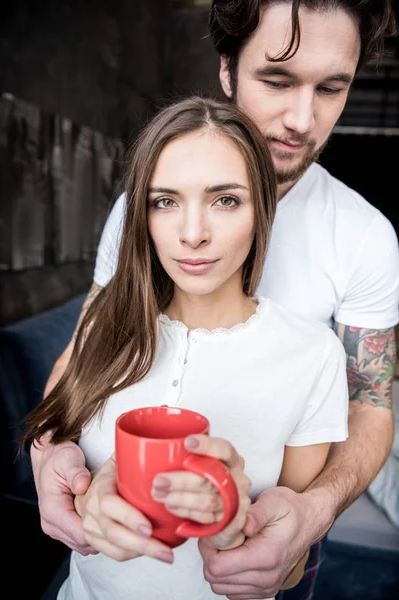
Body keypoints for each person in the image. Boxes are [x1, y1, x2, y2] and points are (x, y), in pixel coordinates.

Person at [29, 1, 399, 599]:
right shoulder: (137, 214)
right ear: (227, 70)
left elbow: (370, 406)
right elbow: (82, 356)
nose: (302, 119)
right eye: (276, 80)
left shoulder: (364, 237)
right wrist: (49, 460)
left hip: (265, 544)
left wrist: (314, 512)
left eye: (332, 88)